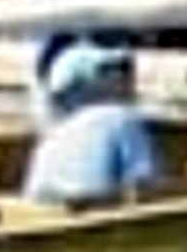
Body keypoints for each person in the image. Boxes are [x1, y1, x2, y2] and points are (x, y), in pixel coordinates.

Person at [17, 37, 164, 208]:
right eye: (117, 68)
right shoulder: (122, 118)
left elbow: (31, 195)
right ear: (88, 83)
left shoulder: (52, 134)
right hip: (96, 226)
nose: (129, 76)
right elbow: (147, 186)